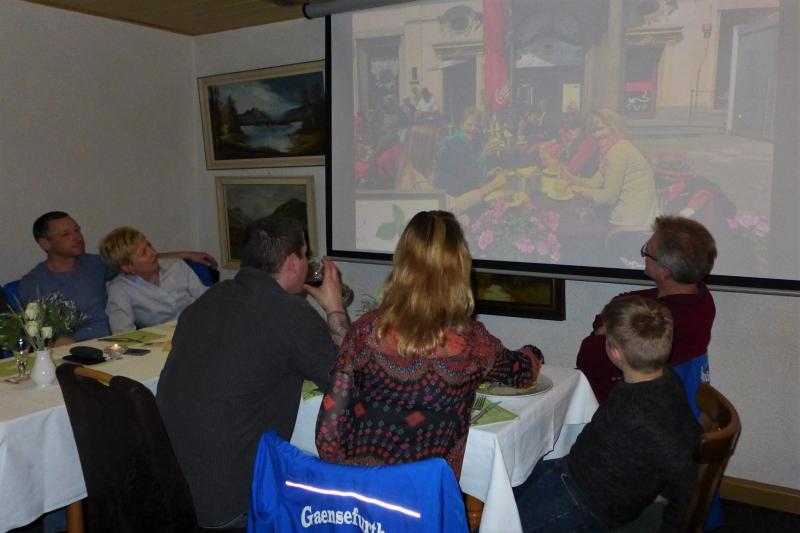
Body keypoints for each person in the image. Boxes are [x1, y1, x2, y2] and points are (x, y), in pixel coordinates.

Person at [156, 215, 350, 529]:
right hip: (231, 500)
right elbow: (348, 381)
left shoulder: (211, 298)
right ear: (292, 262)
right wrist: (335, 307)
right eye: (305, 254)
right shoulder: (290, 314)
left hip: (172, 485)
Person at [315, 210, 542, 478]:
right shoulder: (473, 343)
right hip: (427, 496)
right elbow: (523, 372)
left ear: (402, 262)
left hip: (361, 493)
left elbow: (327, 437)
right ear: (460, 269)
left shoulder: (365, 331)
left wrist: (355, 480)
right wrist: (533, 352)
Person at [515, 295, 701, 532]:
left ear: (615, 353)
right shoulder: (666, 378)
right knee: (503, 495)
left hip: (586, 503)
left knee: (503, 523)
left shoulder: (642, 413)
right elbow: (687, 433)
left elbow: (685, 470)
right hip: (573, 471)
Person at [576, 215, 717, 415]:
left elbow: (589, 356)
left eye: (647, 252)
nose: (643, 256)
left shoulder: (675, 321)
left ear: (665, 272)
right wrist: (610, 324)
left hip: (641, 420)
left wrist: (603, 332)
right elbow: (620, 302)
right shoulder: (697, 296)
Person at [18, 211, 216, 344]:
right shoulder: (34, 282)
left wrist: (186, 254)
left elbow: (134, 260)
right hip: (77, 348)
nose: (77, 237)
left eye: (77, 230)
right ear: (45, 244)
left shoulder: (94, 264)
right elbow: (35, 332)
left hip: (112, 343)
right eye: (66, 234)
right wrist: (56, 342)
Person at [98, 226, 208, 333]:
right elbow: (123, 332)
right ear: (127, 267)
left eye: (149, 245)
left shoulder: (176, 265)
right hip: (165, 339)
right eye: (144, 253)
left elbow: (206, 298)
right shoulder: (119, 289)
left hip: (202, 326)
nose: (154, 253)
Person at [564, 108, 657, 231]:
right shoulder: (613, 148)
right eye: (594, 131)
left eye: (601, 128)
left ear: (613, 127)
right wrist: (573, 180)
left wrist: (581, 190)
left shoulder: (618, 151)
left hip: (631, 223)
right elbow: (596, 182)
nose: (597, 135)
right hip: (633, 218)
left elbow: (609, 197)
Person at [395, 122, 507, 216]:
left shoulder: (411, 172)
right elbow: (452, 206)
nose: (437, 152)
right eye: (434, 147)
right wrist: (492, 185)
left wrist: (485, 176)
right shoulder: (417, 183)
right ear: (423, 150)